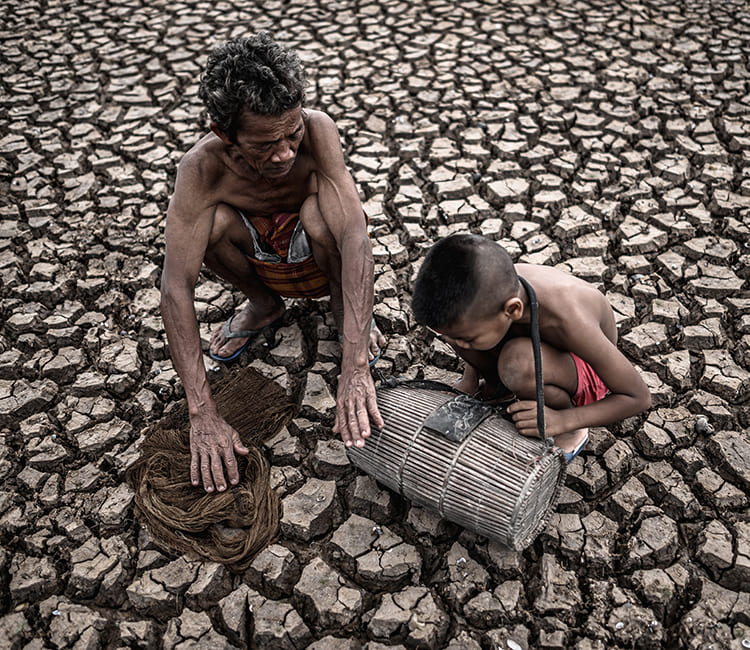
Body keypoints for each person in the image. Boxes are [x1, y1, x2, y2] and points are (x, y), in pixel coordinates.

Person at [160, 33, 385, 493]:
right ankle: (264, 305)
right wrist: (202, 414)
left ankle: (344, 311)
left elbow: (354, 239)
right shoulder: (201, 168)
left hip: (319, 260)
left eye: (292, 134)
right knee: (211, 225)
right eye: (265, 144)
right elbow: (175, 286)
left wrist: (355, 365)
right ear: (225, 133)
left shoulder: (318, 131)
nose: (284, 153)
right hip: (261, 260)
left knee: (324, 216)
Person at [411, 233, 651, 462]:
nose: (458, 345)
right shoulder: (488, 291)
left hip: (584, 368)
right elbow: (466, 330)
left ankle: (571, 431)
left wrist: (564, 419)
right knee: (460, 333)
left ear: (513, 310)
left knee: (518, 362)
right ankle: (497, 390)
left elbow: (637, 397)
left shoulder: (569, 319)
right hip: (530, 346)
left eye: (468, 339)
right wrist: (470, 379)